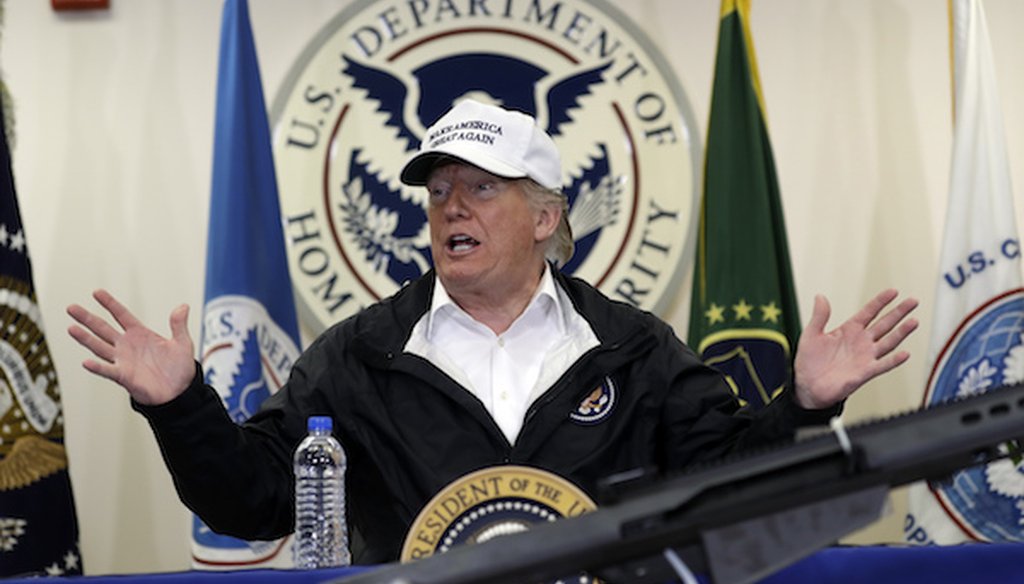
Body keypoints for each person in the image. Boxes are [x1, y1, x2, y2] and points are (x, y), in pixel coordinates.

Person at [67, 99, 918, 564]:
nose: (451, 209)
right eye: (438, 192)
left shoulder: (633, 347)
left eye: (480, 188)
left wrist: (802, 406)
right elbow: (252, 503)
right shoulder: (363, 354)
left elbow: (728, 486)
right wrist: (182, 406)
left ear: (546, 216)